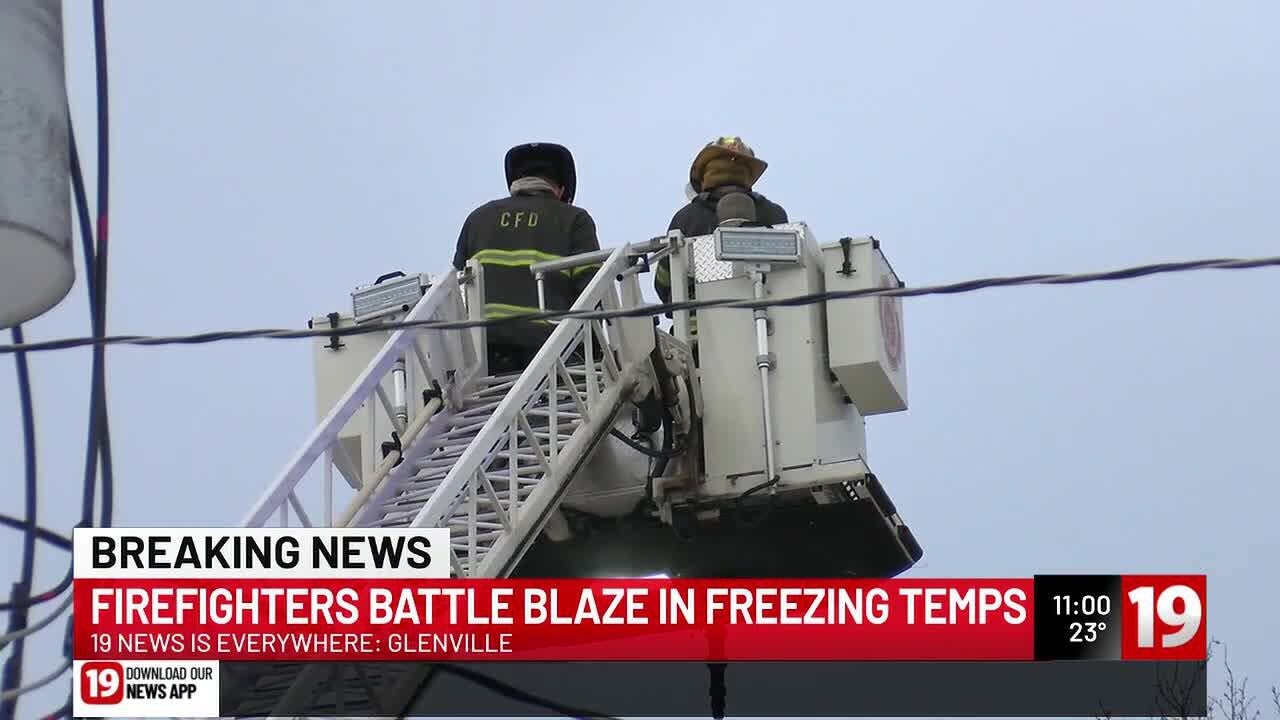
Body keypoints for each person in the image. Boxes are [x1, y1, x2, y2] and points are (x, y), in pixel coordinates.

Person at [452, 142, 601, 375]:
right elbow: (592, 288)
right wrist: (598, 350)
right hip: (551, 350)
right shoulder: (574, 218)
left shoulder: (478, 219)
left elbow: (456, 289)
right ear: (561, 189)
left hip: (485, 352)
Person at [654, 136, 789, 339]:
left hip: (699, 340)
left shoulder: (686, 218)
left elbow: (665, 283)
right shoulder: (774, 214)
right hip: (772, 333)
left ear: (705, 174)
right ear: (748, 173)